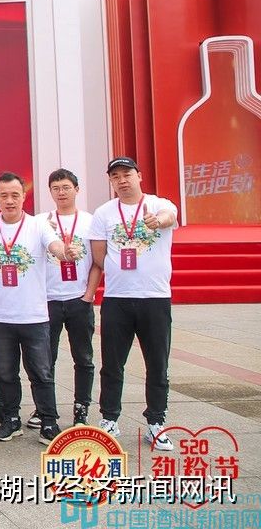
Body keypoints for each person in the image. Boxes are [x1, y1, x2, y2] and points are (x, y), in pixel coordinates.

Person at [86, 157, 179, 451]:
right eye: (115, 176)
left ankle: (156, 422)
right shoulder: (104, 212)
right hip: (118, 298)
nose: (122, 180)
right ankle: (109, 418)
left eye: (127, 174)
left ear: (139, 176)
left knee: (157, 363)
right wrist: (120, 268)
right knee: (112, 364)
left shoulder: (158, 204)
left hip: (155, 298)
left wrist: (157, 221)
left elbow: (169, 217)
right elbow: (98, 255)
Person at [0, 172, 72, 444]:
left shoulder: (38, 225)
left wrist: (64, 252)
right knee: (5, 372)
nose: (9, 201)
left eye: (15, 195)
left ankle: (49, 422)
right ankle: (11, 419)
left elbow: (55, 245)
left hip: (34, 315)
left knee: (41, 372)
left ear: (23, 196)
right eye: (4, 195)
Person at [39, 168, 95, 428]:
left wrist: (88, 295)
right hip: (48, 300)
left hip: (78, 299)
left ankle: (81, 409)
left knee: (83, 358)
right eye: (56, 188)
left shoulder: (90, 222)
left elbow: (98, 261)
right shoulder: (41, 221)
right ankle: (44, 409)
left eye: (66, 188)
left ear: (77, 190)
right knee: (45, 359)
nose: (61, 193)